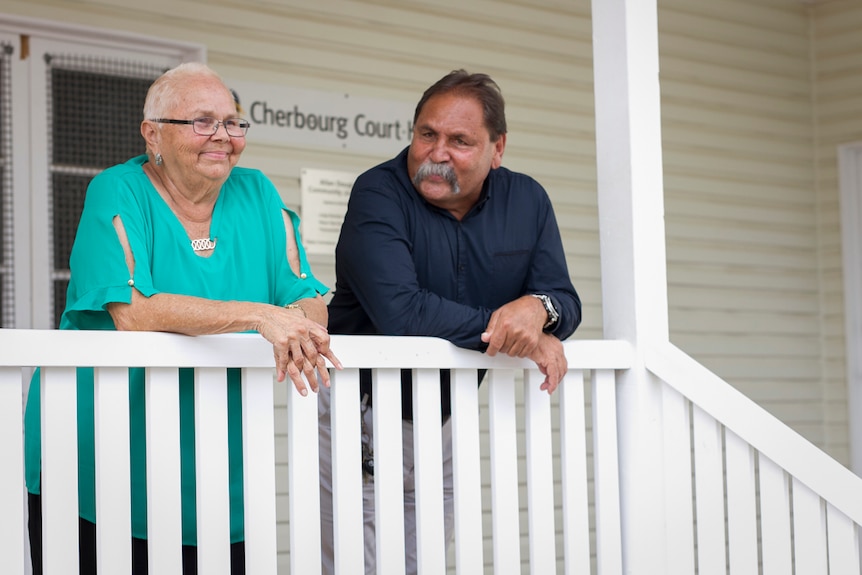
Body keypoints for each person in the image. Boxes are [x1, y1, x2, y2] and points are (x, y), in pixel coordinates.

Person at [23, 62, 341, 575]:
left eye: (233, 122)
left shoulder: (257, 193)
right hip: (98, 457)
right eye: (201, 121)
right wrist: (262, 317)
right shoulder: (117, 189)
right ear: (153, 134)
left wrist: (301, 324)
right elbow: (134, 310)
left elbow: (304, 293)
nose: (223, 136)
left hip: (216, 463)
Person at [319, 69, 581, 574]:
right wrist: (520, 335)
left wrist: (537, 311)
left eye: (460, 141)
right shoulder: (378, 193)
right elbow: (401, 311)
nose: (437, 152)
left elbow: (563, 299)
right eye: (427, 134)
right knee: (358, 564)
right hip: (363, 408)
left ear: (497, 149)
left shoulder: (527, 201)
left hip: (446, 413)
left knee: (426, 561)